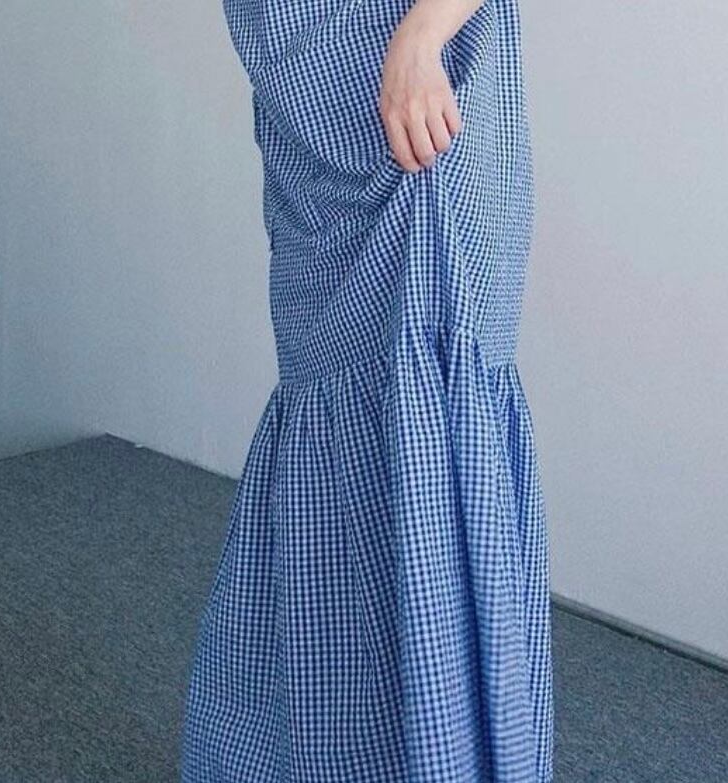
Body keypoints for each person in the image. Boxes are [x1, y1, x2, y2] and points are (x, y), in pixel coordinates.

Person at [180, 0, 554, 780]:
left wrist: (419, 39)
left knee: (427, 432)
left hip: (419, 86)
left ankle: (440, 757)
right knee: (326, 443)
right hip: (303, 76)